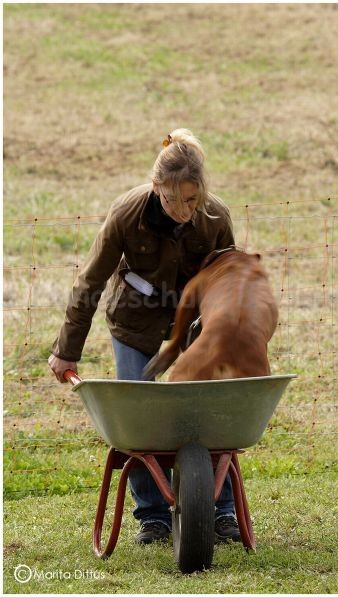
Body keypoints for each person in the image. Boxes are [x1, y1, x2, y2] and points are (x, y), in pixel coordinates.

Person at [48, 128, 241, 544]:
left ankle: (221, 509)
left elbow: (229, 281)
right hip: (135, 319)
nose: (184, 210)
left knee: (207, 407)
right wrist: (66, 350)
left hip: (194, 319)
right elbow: (89, 282)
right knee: (139, 412)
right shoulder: (126, 213)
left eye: (192, 199)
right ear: (156, 188)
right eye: (173, 200)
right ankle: (153, 515)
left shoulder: (215, 218)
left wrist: (223, 337)